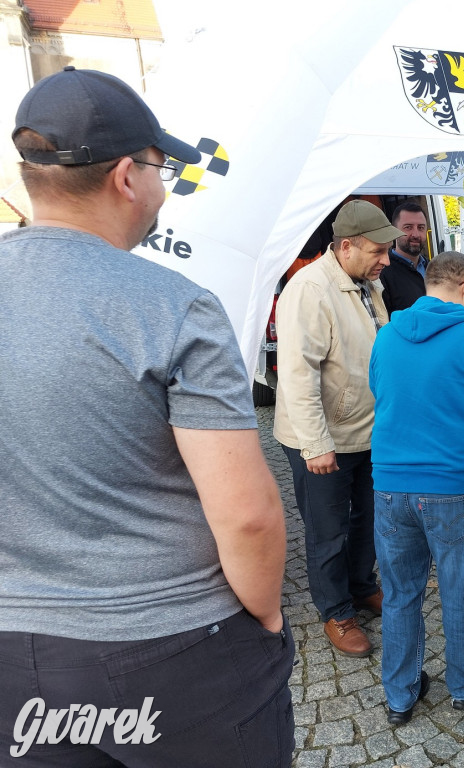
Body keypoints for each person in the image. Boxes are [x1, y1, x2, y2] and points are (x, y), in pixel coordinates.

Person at [0, 67, 294, 766]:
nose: (164, 187)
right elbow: (247, 516)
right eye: (162, 168)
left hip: (14, 655)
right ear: (127, 177)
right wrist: (268, 614)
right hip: (176, 652)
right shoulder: (171, 306)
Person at [369, 252, 464, 724]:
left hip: (391, 484)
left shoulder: (387, 335)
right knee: (460, 586)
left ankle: (400, 694)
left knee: (399, 592)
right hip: (454, 485)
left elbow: (381, 391)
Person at [274, 199, 400, 657]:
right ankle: (336, 610)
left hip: (367, 433)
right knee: (328, 530)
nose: (386, 261)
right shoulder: (309, 289)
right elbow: (297, 373)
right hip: (323, 441)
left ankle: (361, 583)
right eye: (377, 252)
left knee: (368, 519)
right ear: (346, 246)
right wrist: (315, 444)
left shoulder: (367, 281)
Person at [380, 201, 429, 314]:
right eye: (408, 227)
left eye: (421, 227)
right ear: (394, 230)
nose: (416, 234)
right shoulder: (382, 273)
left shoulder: (434, 268)